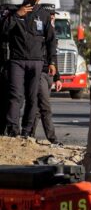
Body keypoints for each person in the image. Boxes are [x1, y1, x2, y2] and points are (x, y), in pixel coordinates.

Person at [0, 0, 57, 136]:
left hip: (37, 62)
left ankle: (26, 132)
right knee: (16, 96)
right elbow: (3, 31)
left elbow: (51, 40)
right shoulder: (13, 12)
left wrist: (52, 62)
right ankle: (13, 131)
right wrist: (17, 15)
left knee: (32, 98)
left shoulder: (44, 14)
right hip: (17, 61)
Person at [23, 11, 60, 143]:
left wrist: (58, 77)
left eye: (53, 16)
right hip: (39, 72)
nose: (52, 18)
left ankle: (28, 135)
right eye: (49, 15)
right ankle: (52, 139)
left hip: (49, 74)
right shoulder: (38, 30)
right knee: (45, 106)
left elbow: (53, 56)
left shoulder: (52, 31)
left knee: (38, 108)